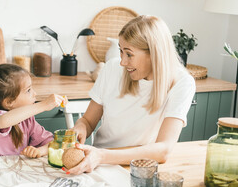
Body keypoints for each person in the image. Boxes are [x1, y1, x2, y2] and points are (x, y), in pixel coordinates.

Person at [66, 15, 196, 175]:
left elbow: (164, 150)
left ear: (154, 53)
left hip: (140, 169)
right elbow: (87, 120)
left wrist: (102, 156)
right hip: (98, 165)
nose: (122, 62)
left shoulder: (182, 82)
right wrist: (80, 127)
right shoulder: (112, 69)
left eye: (129, 54)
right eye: (121, 51)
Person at [0, 63, 67, 158]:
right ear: (9, 102)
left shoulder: (28, 120)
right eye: (28, 90)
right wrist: (43, 105)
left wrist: (40, 151)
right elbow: (5, 121)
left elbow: (51, 141)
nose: (34, 94)